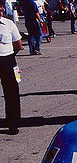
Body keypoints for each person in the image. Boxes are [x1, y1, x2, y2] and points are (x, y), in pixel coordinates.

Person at [0, 0, 23, 134]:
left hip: (8, 59)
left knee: (12, 93)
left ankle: (12, 123)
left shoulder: (9, 24)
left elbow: (18, 44)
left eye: (1, 10)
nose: (0, 13)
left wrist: (8, 56)